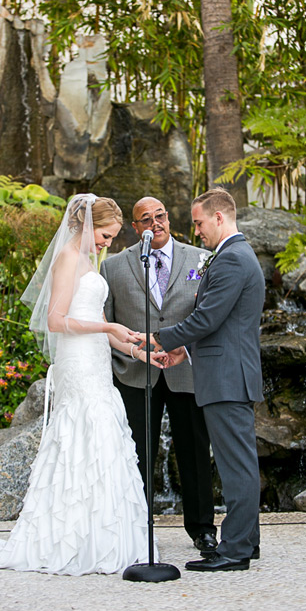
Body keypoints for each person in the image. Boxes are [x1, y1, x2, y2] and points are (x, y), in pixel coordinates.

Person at [0, 194, 165, 575]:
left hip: (96, 359)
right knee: (83, 434)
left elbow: (99, 322)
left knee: (103, 438)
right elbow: (55, 320)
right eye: (105, 235)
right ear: (87, 226)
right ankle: (71, 538)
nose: (108, 244)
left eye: (112, 238)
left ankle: (102, 535)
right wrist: (107, 326)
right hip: (77, 363)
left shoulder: (90, 260)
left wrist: (136, 347)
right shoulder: (68, 258)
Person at [144, 188, 264, 572]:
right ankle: (247, 541)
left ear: (218, 217)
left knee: (235, 467)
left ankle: (235, 551)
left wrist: (162, 339)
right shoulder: (232, 256)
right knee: (238, 463)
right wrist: (186, 350)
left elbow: (207, 318)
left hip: (228, 377)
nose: (195, 231)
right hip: (225, 371)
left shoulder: (231, 259)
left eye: (198, 222)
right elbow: (219, 324)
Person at [100, 196, 218, 557]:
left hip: (186, 372)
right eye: (146, 219)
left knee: (195, 454)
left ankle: (203, 531)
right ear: (135, 228)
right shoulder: (114, 267)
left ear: (169, 217)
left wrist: (183, 347)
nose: (156, 223)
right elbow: (105, 324)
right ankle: (137, 530)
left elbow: (208, 314)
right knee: (136, 455)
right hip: (136, 375)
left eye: (160, 215)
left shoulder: (200, 259)